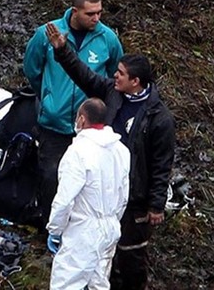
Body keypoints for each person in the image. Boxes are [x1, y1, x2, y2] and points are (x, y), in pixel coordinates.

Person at [45, 22, 175, 290]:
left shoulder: (159, 118)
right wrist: (62, 50)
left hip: (134, 197)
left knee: (130, 256)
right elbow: (85, 76)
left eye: (120, 73)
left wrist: (156, 204)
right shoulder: (113, 94)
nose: (115, 76)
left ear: (135, 82)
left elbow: (162, 163)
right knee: (103, 264)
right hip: (103, 189)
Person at [24, 0, 124, 225]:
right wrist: (49, 97)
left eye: (99, 13)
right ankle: (50, 226)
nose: (96, 18)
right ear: (75, 11)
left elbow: (113, 80)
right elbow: (32, 69)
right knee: (50, 176)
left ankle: (78, 224)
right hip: (54, 123)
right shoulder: (47, 34)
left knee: (87, 180)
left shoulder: (108, 39)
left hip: (90, 128)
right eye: (91, 14)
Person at [46, 98, 130, 290]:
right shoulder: (121, 150)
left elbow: (65, 199)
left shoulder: (78, 152)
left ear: (82, 119)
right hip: (110, 227)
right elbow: (123, 194)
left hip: (83, 230)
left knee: (66, 284)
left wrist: (55, 230)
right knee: (98, 284)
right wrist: (113, 220)